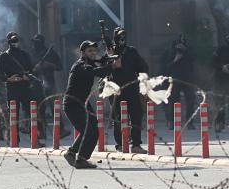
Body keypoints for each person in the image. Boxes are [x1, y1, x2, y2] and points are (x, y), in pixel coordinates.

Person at [63, 41, 120, 169]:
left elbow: (100, 65)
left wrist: (108, 58)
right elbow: (96, 72)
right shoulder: (80, 65)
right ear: (83, 53)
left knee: (94, 129)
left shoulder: (90, 63)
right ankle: (72, 153)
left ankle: (80, 158)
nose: (93, 53)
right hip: (73, 104)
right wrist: (111, 66)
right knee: (88, 130)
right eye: (90, 51)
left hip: (83, 102)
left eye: (95, 51)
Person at [107, 27, 149, 153]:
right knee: (118, 118)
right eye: (119, 36)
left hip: (132, 89)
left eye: (124, 36)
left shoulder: (131, 51)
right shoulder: (109, 52)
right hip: (115, 90)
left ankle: (136, 144)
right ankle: (120, 144)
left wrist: (143, 82)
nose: (122, 39)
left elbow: (143, 67)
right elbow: (102, 69)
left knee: (136, 115)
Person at [0, 32, 36, 140]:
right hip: (12, 88)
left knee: (30, 112)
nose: (15, 43)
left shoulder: (25, 55)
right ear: (8, 42)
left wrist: (27, 77)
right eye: (12, 41)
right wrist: (9, 79)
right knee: (14, 114)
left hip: (25, 87)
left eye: (16, 40)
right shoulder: (4, 56)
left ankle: (34, 138)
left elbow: (31, 70)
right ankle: (14, 137)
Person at [30, 34, 62, 140]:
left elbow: (59, 67)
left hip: (49, 82)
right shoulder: (31, 54)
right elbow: (27, 68)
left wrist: (49, 65)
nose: (35, 44)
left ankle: (60, 130)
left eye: (37, 42)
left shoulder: (50, 53)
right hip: (36, 84)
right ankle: (41, 131)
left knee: (54, 107)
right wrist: (34, 69)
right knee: (39, 109)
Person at [161, 36, 196, 130]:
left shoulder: (188, 52)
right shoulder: (170, 52)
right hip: (175, 79)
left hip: (187, 79)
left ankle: (190, 122)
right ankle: (172, 121)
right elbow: (166, 68)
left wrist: (186, 51)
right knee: (173, 100)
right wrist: (175, 59)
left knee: (190, 100)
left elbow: (193, 60)